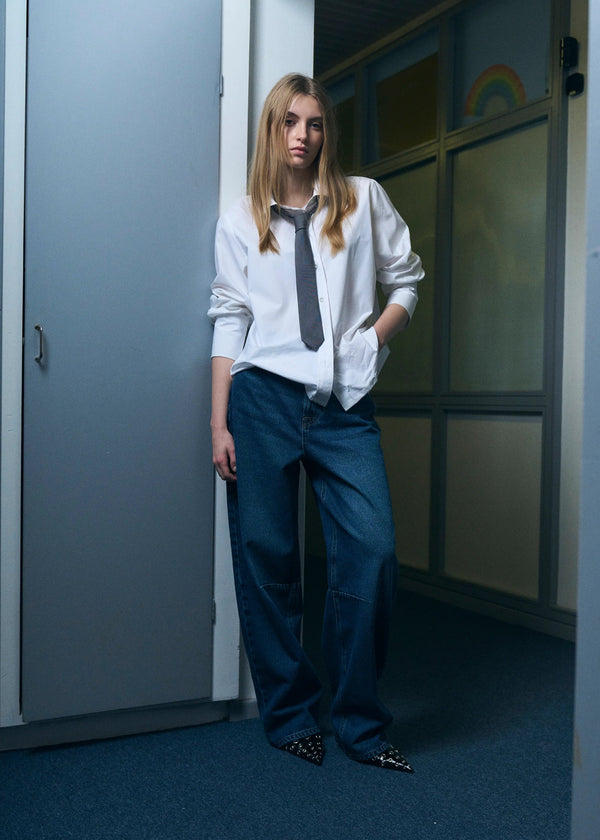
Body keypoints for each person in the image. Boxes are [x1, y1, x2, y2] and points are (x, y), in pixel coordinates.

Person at [209, 73, 423, 772]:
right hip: (261, 400)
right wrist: (219, 422)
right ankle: (291, 715)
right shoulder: (242, 219)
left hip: (342, 405)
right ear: (272, 130)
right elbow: (229, 319)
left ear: (327, 132)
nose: (303, 135)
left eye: (316, 123)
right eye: (289, 122)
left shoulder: (361, 200)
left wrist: (372, 342)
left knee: (373, 549)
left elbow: (409, 280)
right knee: (268, 560)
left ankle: (360, 722)